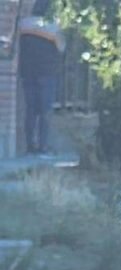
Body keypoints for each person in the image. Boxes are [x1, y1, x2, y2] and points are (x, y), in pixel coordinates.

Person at [18, 0, 65, 156]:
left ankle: (30, 146)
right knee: (45, 111)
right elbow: (61, 47)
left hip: (27, 73)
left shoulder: (23, 24)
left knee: (30, 110)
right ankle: (43, 147)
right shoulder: (53, 26)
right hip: (47, 73)